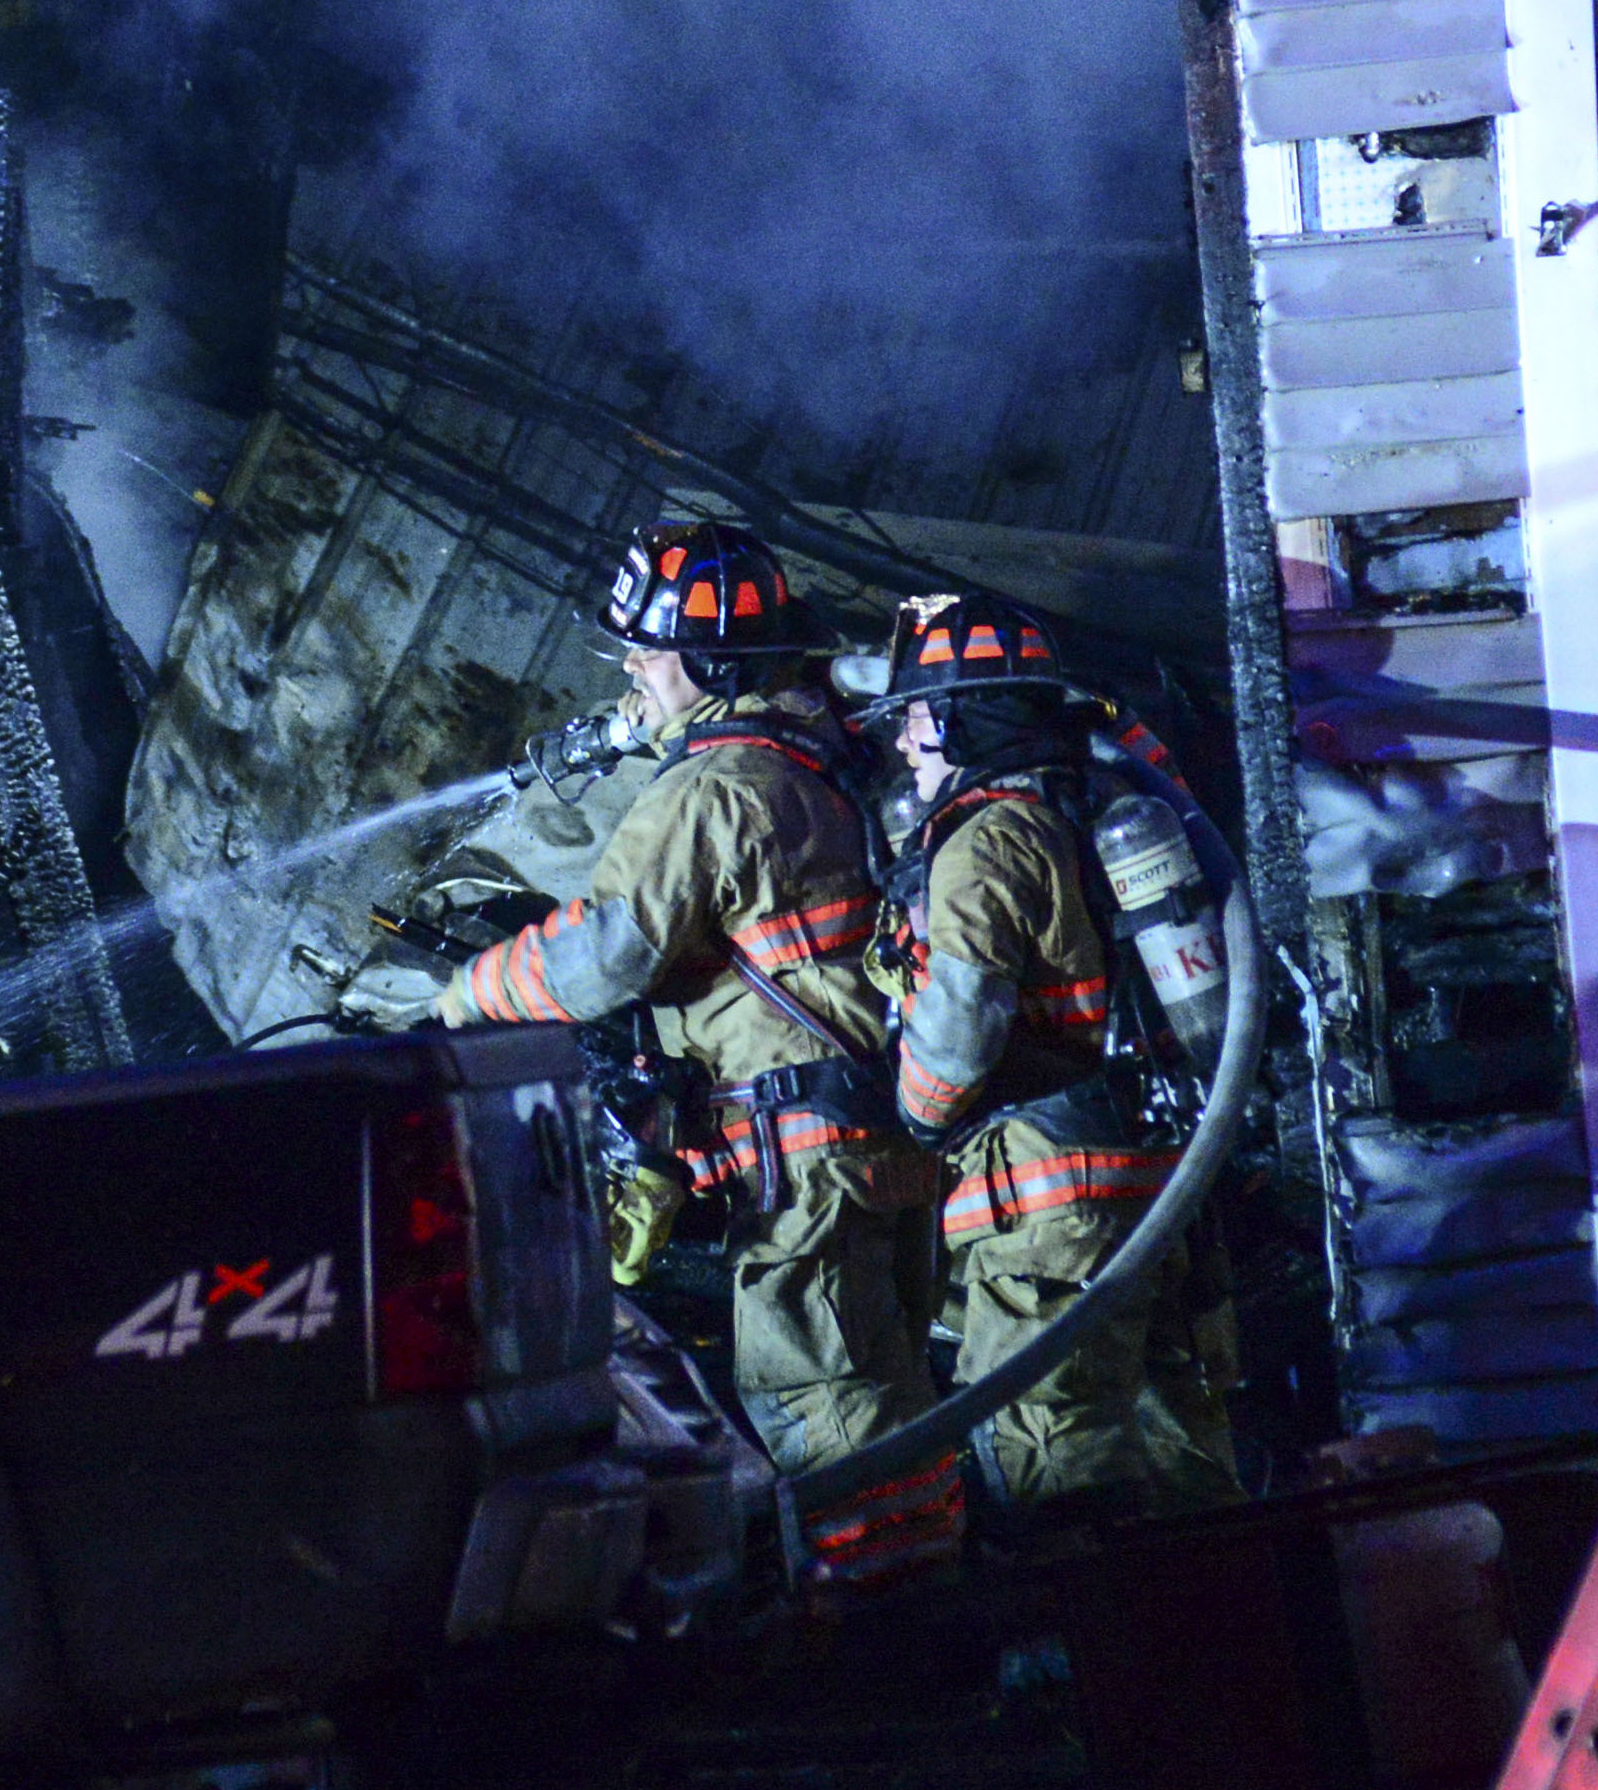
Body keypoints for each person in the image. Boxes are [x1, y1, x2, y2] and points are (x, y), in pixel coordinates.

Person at [435, 521, 941, 1470]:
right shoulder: (824, 752)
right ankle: (931, 1551)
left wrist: (466, 995)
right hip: (880, 1137)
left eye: (648, 649)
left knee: (829, 1415)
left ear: (710, 663)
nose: (631, 667)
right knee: (892, 1398)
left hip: (803, 1162)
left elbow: (603, 957)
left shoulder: (712, 790)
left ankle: (887, 1563)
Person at [870, 592, 1240, 1517]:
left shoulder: (987, 840)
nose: (905, 742)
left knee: (1052, 1454)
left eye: (917, 716)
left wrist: (909, 1125)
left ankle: (1100, 1609)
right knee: (1179, 1444)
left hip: (1050, 1200)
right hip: (1154, 1179)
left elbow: (957, 1033)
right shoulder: (1102, 803)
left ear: (962, 718)